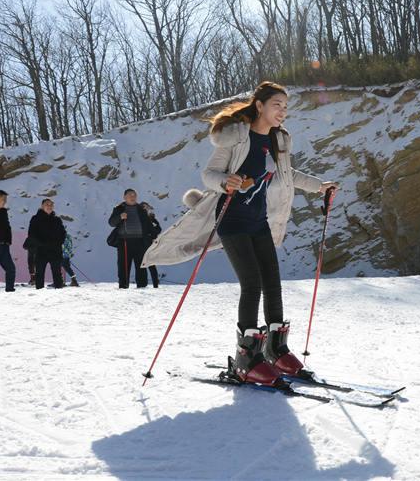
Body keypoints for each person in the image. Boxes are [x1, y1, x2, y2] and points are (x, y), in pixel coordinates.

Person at [141, 81, 337, 386]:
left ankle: (276, 349)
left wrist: (319, 185)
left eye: (285, 107)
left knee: (272, 282)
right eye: (277, 105)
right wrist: (227, 181)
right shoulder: (236, 137)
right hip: (232, 219)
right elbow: (209, 175)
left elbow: (288, 175)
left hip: (259, 220)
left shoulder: (278, 140)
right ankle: (246, 358)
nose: (282, 112)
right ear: (259, 105)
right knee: (252, 283)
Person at [108, 189, 153, 288]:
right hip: (124, 241)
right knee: (123, 265)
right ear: (124, 197)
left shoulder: (141, 209)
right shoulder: (119, 208)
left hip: (140, 241)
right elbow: (111, 223)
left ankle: (142, 286)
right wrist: (120, 217)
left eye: (134, 195)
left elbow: (148, 225)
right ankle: (123, 286)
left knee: (141, 265)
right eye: (130, 195)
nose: (133, 197)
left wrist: (153, 235)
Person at [27, 199, 66, 289]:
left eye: (51, 204)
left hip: (55, 251)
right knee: (39, 274)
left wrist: (58, 243)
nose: (49, 206)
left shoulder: (57, 220)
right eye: (47, 204)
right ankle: (40, 297)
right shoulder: (35, 219)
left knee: (57, 274)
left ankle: (60, 295)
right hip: (41, 251)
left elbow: (63, 234)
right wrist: (43, 244)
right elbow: (32, 234)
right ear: (42, 206)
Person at [142, 201, 162, 288]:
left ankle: (155, 284)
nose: (145, 209)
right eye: (143, 207)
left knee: (150, 264)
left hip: (148, 243)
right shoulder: (138, 218)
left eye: (146, 207)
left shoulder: (151, 218)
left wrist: (151, 234)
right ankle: (143, 284)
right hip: (140, 243)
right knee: (143, 264)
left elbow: (158, 229)